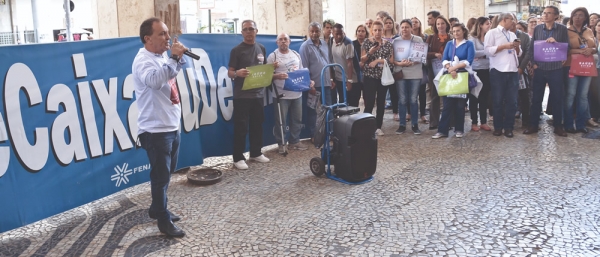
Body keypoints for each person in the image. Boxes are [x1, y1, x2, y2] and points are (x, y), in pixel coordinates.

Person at [133, 17, 186, 237]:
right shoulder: (142, 60)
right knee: (160, 176)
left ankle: (157, 208)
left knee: (167, 172)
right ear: (148, 38)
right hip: (155, 131)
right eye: (162, 34)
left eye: (167, 32)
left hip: (171, 125)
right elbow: (155, 81)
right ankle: (163, 220)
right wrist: (173, 58)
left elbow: (172, 73)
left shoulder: (161, 55)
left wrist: (178, 58)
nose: (167, 37)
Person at [228, 19, 271, 169]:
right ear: (242, 33)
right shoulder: (236, 50)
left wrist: (272, 71)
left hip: (258, 95)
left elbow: (264, 68)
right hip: (242, 96)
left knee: (257, 125)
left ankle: (256, 153)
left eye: (251, 29)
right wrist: (237, 73)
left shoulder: (261, 48)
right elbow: (230, 72)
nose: (248, 32)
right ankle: (238, 158)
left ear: (256, 31)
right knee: (241, 127)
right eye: (245, 29)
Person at [524, 6, 570, 137]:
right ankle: (533, 125)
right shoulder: (538, 29)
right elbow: (532, 47)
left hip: (556, 68)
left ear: (556, 16)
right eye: (544, 13)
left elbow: (568, 47)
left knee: (557, 98)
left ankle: (558, 126)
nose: (545, 15)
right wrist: (533, 64)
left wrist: (556, 43)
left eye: (549, 13)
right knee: (536, 98)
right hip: (540, 68)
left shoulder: (561, 29)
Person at [267, 33, 311, 153]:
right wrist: (276, 75)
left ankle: (294, 141)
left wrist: (308, 82)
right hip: (281, 95)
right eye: (280, 40)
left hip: (297, 94)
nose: (283, 41)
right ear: (277, 42)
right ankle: (281, 143)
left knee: (297, 119)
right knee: (281, 121)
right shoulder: (273, 56)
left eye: (285, 39)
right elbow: (266, 76)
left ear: (289, 41)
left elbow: (301, 72)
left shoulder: (296, 54)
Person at [432, 23, 475, 139]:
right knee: (447, 105)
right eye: (454, 31)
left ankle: (459, 129)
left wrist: (454, 68)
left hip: (462, 75)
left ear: (463, 31)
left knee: (460, 105)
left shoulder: (469, 44)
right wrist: (449, 69)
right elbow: (444, 59)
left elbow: (469, 61)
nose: (456, 33)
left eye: (458, 31)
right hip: (450, 75)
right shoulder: (450, 44)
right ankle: (442, 130)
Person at [484, 13, 522, 138]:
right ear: (504, 20)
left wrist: (516, 48)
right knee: (498, 100)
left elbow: (519, 53)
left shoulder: (512, 34)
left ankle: (509, 128)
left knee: (512, 101)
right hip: (498, 70)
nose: (514, 22)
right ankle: (498, 127)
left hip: (512, 70)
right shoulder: (492, 33)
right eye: (512, 20)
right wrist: (504, 46)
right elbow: (488, 51)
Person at [564, 7, 598, 133]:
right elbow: (565, 50)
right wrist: (580, 51)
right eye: (575, 15)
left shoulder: (589, 31)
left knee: (583, 96)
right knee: (570, 95)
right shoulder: (566, 31)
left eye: (581, 15)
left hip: (587, 66)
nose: (577, 17)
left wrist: (591, 50)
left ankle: (580, 124)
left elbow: (595, 47)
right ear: (572, 17)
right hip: (571, 66)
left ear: (585, 18)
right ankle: (568, 123)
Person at [300, 22, 334, 138]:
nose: (314, 33)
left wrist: (331, 78)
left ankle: (331, 133)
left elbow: (328, 62)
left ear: (320, 31)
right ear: (309, 32)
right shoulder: (305, 47)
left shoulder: (324, 44)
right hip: (314, 84)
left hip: (326, 83)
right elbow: (304, 68)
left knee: (329, 108)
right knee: (313, 111)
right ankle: (314, 135)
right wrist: (310, 85)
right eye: (312, 31)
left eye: (317, 31)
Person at [360, 20, 394, 136]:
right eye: (375, 30)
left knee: (381, 102)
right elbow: (362, 60)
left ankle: (378, 126)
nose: (377, 32)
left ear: (383, 30)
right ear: (372, 31)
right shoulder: (367, 42)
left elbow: (391, 62)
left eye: (380, 30)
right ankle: (365, 127)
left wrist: (379, 60)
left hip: (382, 77)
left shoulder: (388, 44)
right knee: (369, 103)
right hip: (369, 76)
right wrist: (371, 52)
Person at [393, 19, 424, 135]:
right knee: (402, 100)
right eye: (402, 27)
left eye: (407, 27)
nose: (404, 29)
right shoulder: (396, 41)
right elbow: (392, 59)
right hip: (401, 72)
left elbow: (421, 56)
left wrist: (411, 62)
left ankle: (415, 125)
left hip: (415, 73)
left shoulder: (418, 39)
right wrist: (400, 63)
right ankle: (402, 124)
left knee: (413, 99)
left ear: (411, 28)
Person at [426, 16, 452, 130]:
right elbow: (425, 53)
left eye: (442, 23)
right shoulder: (431, 38)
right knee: (435, 96)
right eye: (438, 24)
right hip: (434, 69)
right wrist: (435, 54)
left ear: (446, 24)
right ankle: (434, 122)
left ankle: (449, 121)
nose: (440, 26)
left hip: (449, 70)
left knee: (449, 95)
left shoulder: (451, 38)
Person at [468, 16, 492, 132]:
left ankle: (483, 121)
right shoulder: (473, 39)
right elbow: (473, 53)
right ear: (480, 25)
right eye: (487, 23)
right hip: (476, 71)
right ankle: (473, 122)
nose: (489, 25)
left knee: (484, 97)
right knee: (474, 97)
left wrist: (484, 54)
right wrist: (487, 53)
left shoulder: (490, 37)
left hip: (487, 69)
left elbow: (494, 50)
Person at [330, 23, 356, 104]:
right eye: (336, 34)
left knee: (350, 102)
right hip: (338, 77)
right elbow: (330, 60)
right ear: (332, 33)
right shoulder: (331, 41)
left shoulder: (347, 43)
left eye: (341, 33)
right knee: (341, 101)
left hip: (348, 77)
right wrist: (331, 78)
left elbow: (350, 62)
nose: (339, 36)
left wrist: (349, 80)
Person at [514, 18, 533, 128]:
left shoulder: (524, 37)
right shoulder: (501, 35)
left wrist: (521, 68)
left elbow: (527, 53)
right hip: (507, 70)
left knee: (524, 95)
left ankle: (526, 121)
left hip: (521, 70)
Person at [411, 17, 430, 124]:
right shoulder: (405, 37)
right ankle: (410, 113)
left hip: (421, 66)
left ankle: (422, 114)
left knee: (422, 92)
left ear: (419, 23)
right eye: (412, 22)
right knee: (411, 92)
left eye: (416, 22)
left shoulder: (425, 37)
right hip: (409, 66)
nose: (414, 24)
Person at [383, 16, 400, 121]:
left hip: (393, 66)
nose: (388, 24)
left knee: (394, 91)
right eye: (387, 23)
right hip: (382, 67)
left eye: (390, 22)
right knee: (382, 91)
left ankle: (395, 112)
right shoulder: (380, 37)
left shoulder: (397, 37)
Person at [350, 24, 369, 107]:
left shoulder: (369, 44)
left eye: (363, 31)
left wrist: (364, 63)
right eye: (359, 31)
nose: (360, 33)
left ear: (366, 33)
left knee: (367, 98)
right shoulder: (352, 44)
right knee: (354, 98)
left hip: (367, 73)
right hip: (355, 74)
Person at [589, 21, 600, 124]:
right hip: (592, 69)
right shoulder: (593, 40)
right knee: (594, 93)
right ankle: (594, 115)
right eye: (599, 25)